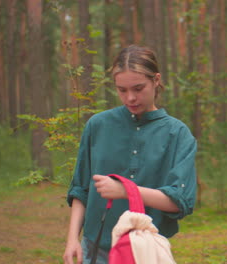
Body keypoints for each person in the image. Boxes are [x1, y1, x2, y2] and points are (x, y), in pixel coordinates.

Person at [63, 45, 197, 264]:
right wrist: (72, 240)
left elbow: (180, 202)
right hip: (95, 249)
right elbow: (81, 189)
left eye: (138, 88)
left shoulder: (177, 134)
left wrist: (127, 191)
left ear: (156, 80)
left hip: (147, 252)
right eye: (122, 90)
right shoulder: (98, 125)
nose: (130, 98)